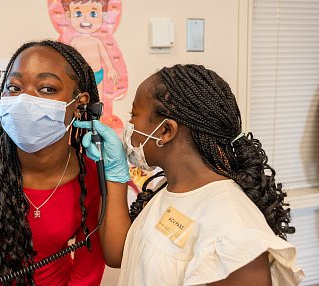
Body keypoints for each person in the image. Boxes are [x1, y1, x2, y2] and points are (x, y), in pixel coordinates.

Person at [74, 64, 305, 285]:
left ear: (165, 131)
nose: (129, 125)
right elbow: (119, 254)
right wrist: (114, 175)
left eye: (134, 115)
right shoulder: (168, 187)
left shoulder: (234, 231)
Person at [0, 40, 105, 285]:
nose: (24, 100)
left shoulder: (90, 176)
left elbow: (87, 271)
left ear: (80, 103)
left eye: (46, 88)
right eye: (14, 87)